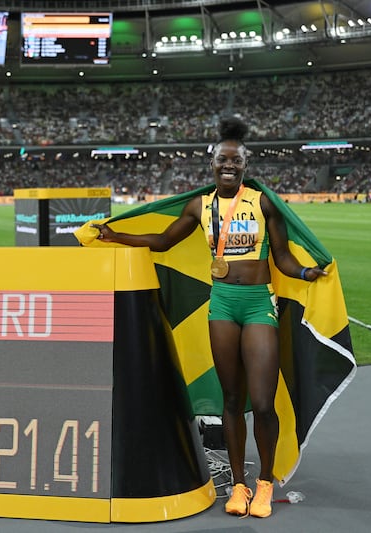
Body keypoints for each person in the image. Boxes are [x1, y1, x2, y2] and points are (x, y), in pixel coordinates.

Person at [93, 116, 327, 519]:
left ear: (245, 165)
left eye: (235, 161)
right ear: (213, 164)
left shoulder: (262, 202)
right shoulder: (200, 206)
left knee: (262, 401)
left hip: (257, 304)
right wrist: (117, 236)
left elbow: (284, 258)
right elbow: (164, 241)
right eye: (222, 160)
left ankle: (265, 484)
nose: (228, 166)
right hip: (221, 304)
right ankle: (238, 487)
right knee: (231, 400)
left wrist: (307, 273)